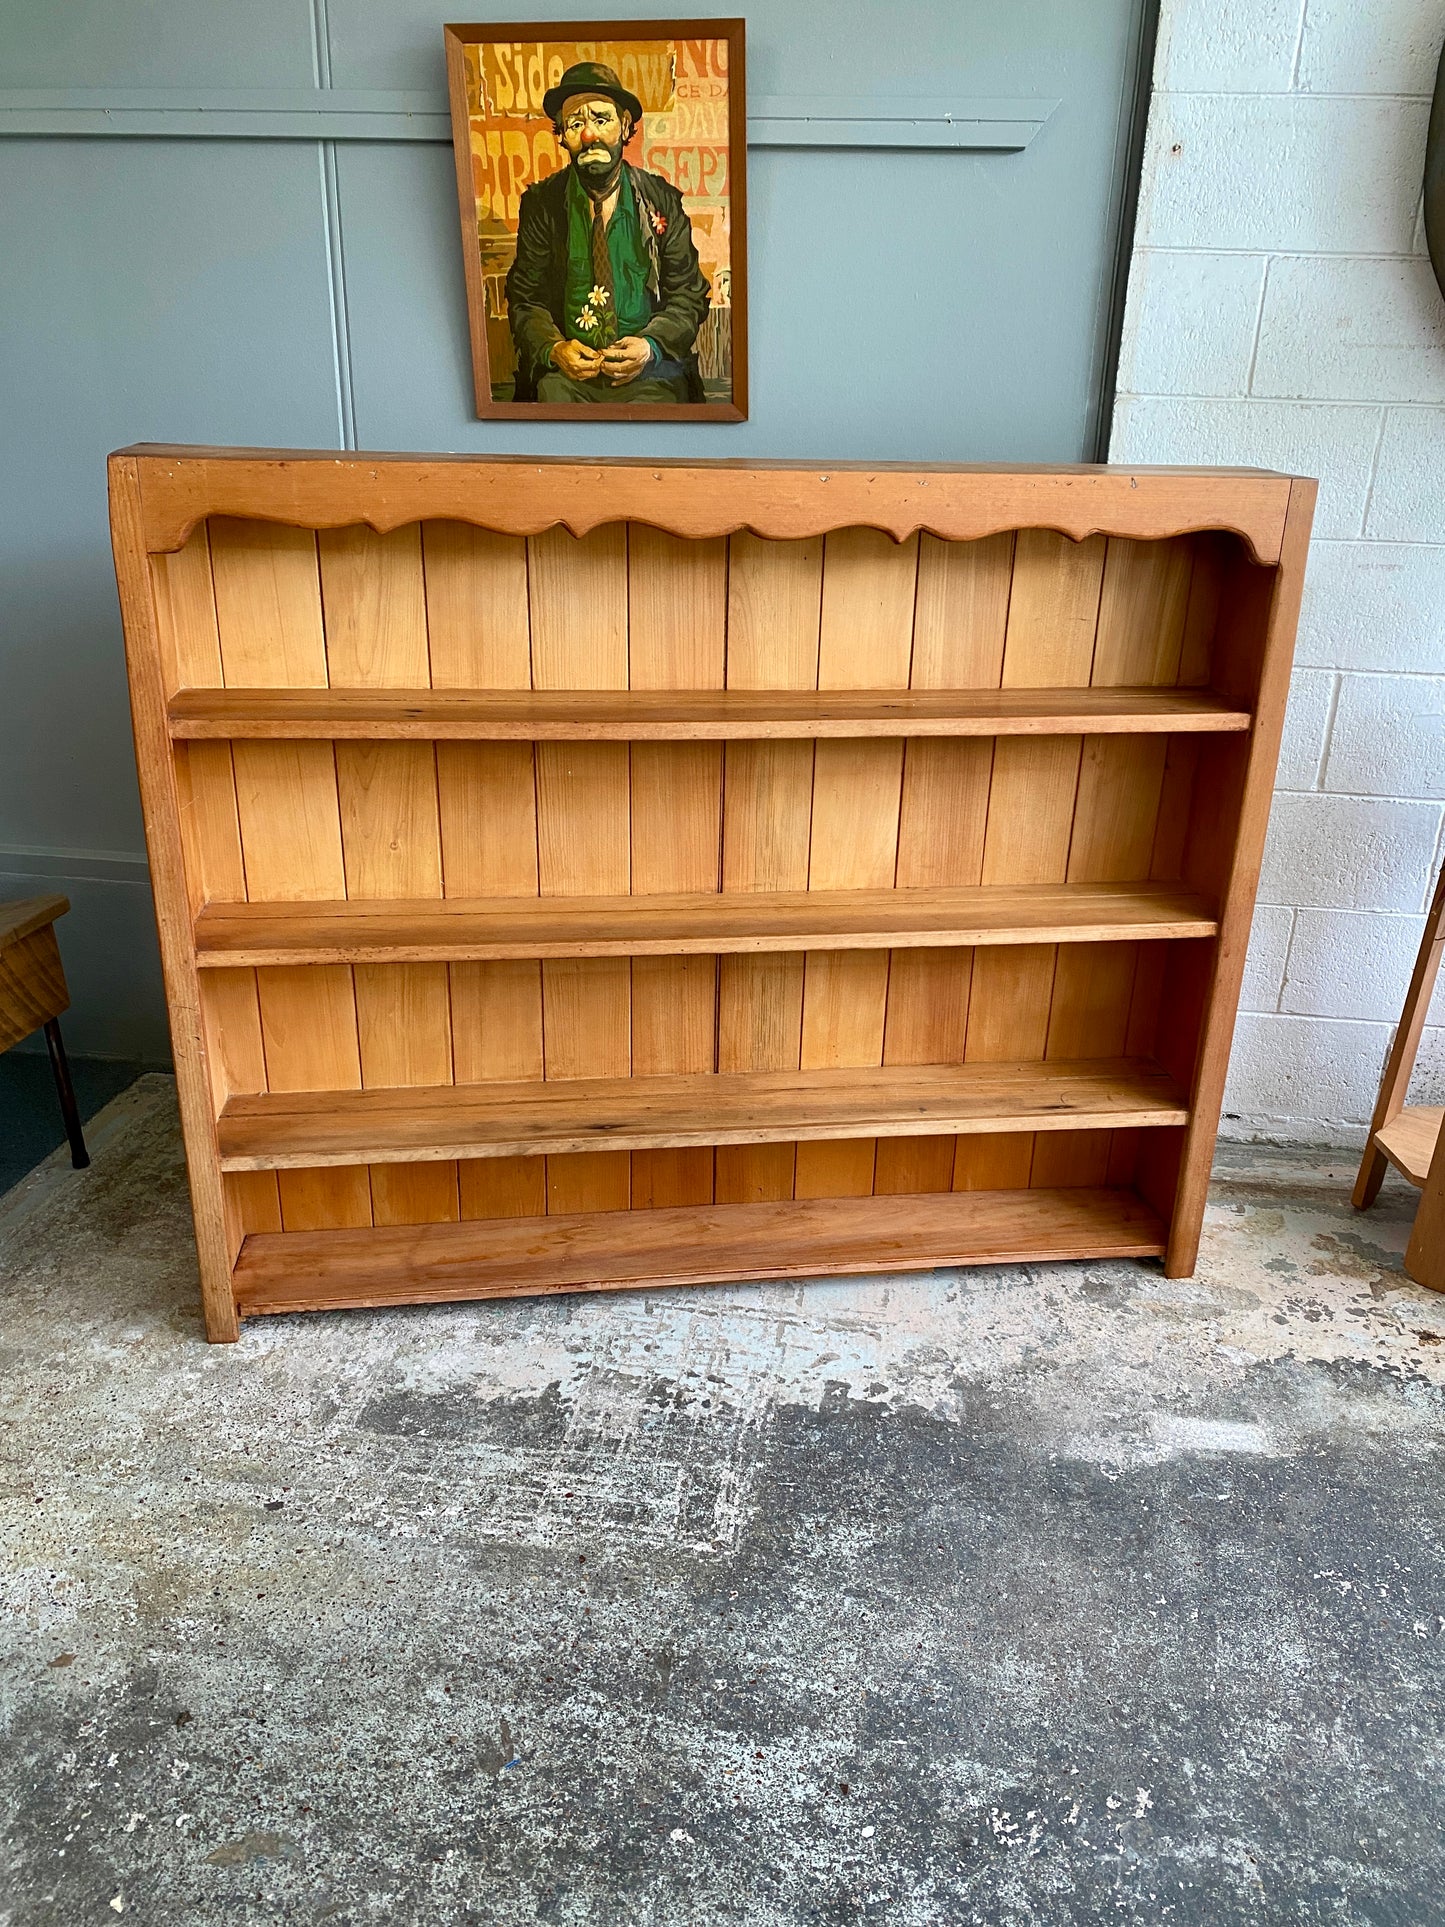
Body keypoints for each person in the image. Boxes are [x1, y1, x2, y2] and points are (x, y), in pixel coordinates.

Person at [504, 60, 712, 403]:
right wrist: (555, 349)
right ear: (561, 135)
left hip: (651, 376)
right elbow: (525, 300)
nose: (589, 135)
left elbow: (689, 296)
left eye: (601, 120)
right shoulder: (542, 205)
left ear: (625, 125)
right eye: (575, 124)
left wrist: (650, 346)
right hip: (565, 380)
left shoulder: (662, 200)